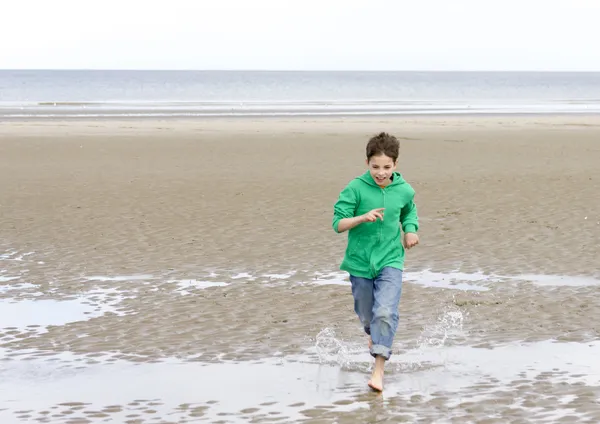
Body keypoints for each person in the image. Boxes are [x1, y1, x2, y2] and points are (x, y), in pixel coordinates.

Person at [332, 132, 419, 392]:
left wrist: (411, 230)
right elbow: (338, 224)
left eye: (386, 167)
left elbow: (408, 210)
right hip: (360, 263)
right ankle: (373, 335)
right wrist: (361, 218)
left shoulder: (404, 190)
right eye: (375, 167)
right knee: (367, 313)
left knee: (385, 311)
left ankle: (378, 370)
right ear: (367, 163)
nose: (380, 173)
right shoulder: (355, 188)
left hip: (391, 259)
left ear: (396, 165)